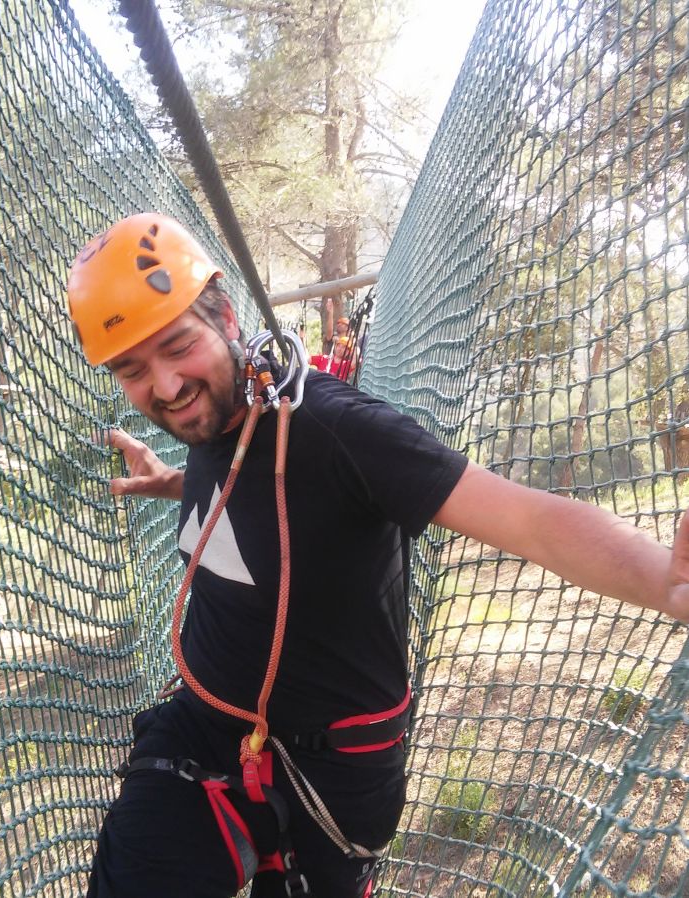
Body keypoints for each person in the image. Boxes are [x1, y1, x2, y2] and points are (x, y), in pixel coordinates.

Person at [67, 212, 689, 898]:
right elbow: (259, 498)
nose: (164, 387)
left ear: (228, 319)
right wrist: (177, 483)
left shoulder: (335, 428)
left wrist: (663, 580)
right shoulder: (216, 417)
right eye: (132, 370)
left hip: (332, 771)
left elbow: (530, 520)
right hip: (204, 728)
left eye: (179, 346)